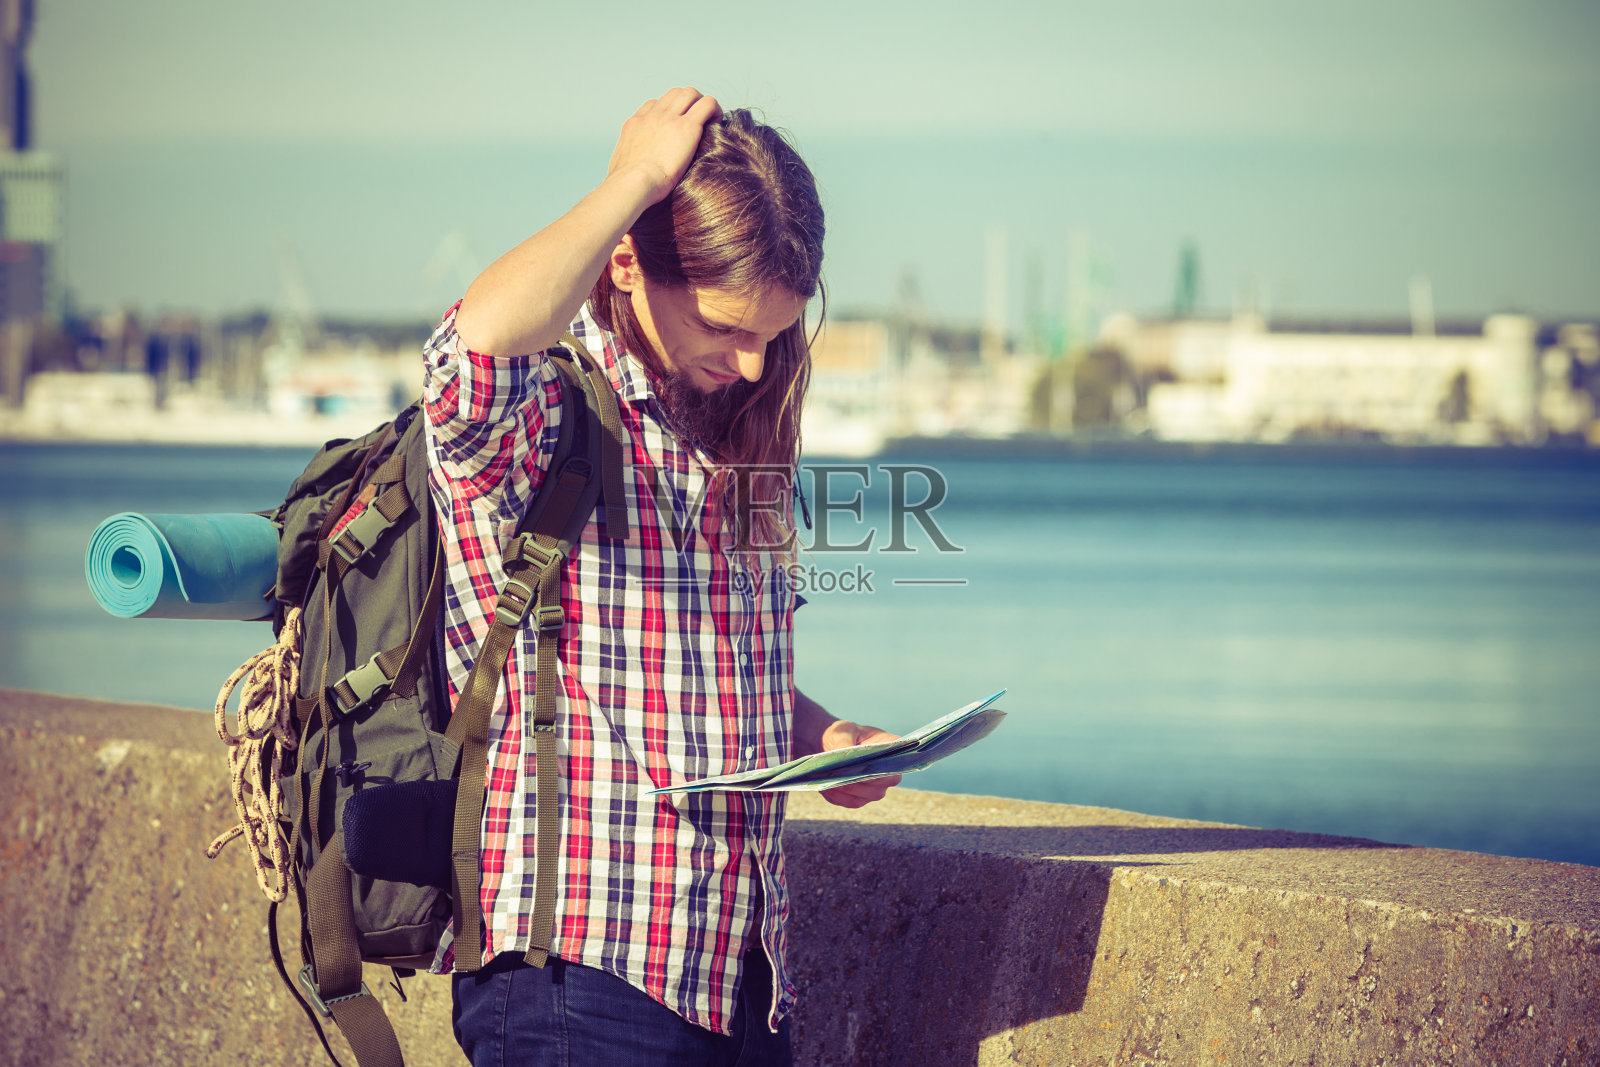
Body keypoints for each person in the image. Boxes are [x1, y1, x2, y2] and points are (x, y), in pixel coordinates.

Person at [421, 87, 900, 1066]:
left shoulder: (727, 432)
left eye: (775, 329)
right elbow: (473, 353)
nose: (755, 357)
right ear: (627, 264)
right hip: (578, 972)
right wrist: (632, 182)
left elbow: (703, 675)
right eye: (726, 325)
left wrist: (826, 737)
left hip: (738, 974)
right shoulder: (550, 411)